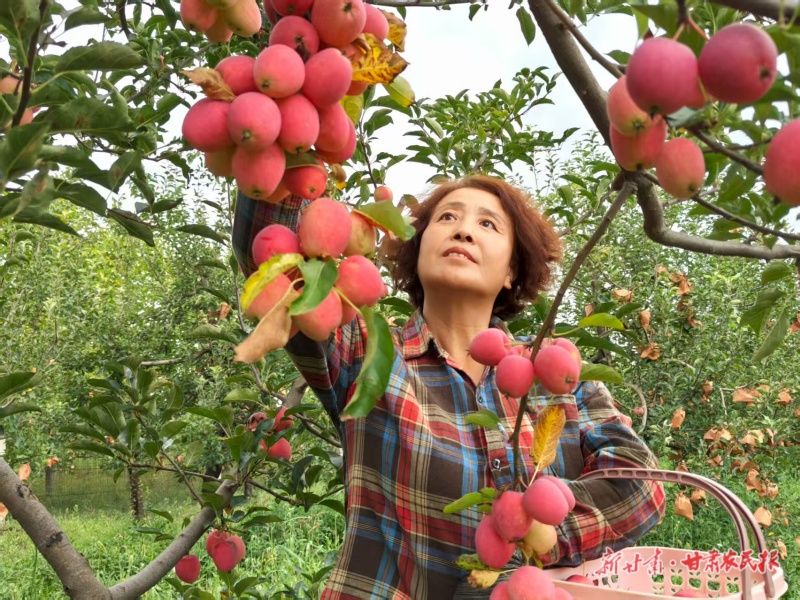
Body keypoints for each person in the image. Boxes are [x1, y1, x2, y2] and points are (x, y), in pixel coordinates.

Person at [232, 174, 666, 600]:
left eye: (487, 224)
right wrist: (305, 146)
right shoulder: (367, 352)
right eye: (446, 218)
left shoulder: (552, 372)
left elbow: (640, 483)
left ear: (512, 270)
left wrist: (545, 531)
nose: (462, 229)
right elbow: (274, 250)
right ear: (418, 253)